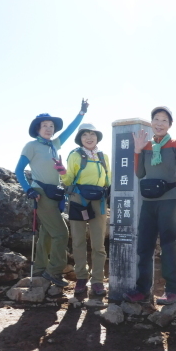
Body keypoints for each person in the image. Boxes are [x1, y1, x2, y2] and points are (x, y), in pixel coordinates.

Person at [15, 99, 89, 287]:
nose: (49, 128)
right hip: (40, 193)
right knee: (61, 233)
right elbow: (19, 170)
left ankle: (39, 269)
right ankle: (54, 271)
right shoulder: (31, 146)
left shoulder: (55, 144)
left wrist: (81, 113)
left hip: (55, 195)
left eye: (51, 126)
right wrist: (29, 190)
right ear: (37, 129)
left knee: (47, 234)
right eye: (44, 126)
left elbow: (70, 131)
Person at [123, 106, 176, 305]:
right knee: (144, 246)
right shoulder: (145, 146)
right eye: (156, 119)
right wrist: (137, 150)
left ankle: (173, 291)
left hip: (169, 201)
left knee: (169, 246)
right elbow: (139, 174)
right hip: (149, 203)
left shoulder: (175, 144)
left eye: (164, 120)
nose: (159, 123)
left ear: (170, 125)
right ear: (151, 123)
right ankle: (142, 290)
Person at [62, 123, 111, 297]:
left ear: (97, 137)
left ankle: (97, 280)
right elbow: (68, 181)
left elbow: (108, 181)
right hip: (78, 200)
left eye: (92, 134)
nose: (89, 138)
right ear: (80, 138)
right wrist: (61, 172)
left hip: (99, 201)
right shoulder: (75, 155)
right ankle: (82, 277)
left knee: (98, 244)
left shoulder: (103, 156)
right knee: (78, 241)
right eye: (85, 135)